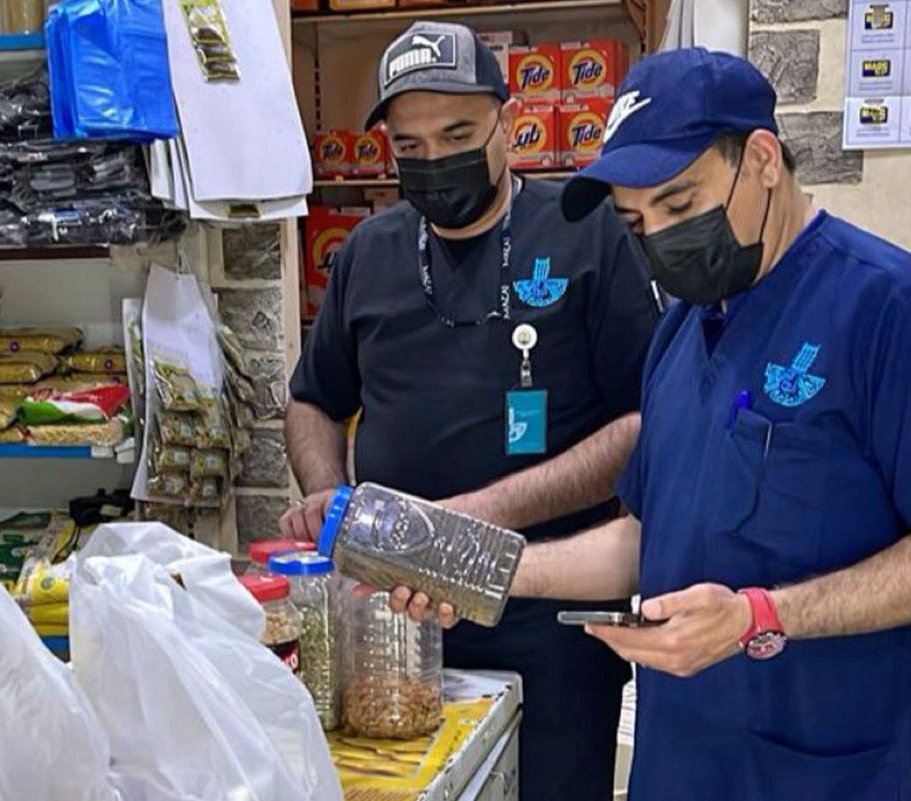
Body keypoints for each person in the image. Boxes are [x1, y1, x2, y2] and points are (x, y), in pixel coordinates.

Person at [391, 47, 911, 800]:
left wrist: (760, 616)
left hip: (823, 771)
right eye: (636, 221)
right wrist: (477, 565)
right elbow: (647, 540)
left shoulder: (896, 310)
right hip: (680, 764)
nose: (660, 238)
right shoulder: (682, 330)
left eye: (678, 206)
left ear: (762, 160)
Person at [282, 21, 659, 801]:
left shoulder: (586, 231)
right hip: (392, 623)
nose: (434, 160)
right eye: (409, 146)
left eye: (457, 134)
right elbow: (313, 399)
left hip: (552, 620)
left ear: (507, 122)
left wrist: (475, 523)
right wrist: (326, 495)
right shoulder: (368, 251)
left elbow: (643, 424)